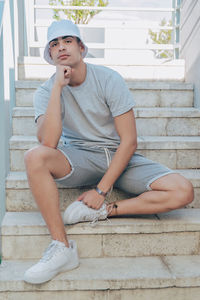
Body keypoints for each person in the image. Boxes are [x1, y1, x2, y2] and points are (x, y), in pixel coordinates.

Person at [23, 19, 194, 284]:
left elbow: (129, 141)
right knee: (34, 156)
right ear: (50, 55)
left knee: (183, 190)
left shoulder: (108, 79)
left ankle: (104, 212)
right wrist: (58, 88)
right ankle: (61, 247)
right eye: (54, 44)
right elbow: (49, 144)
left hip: (120, 158)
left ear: (81, 47)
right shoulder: (46, 92)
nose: (61, 47)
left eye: (68, 40)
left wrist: (101, 193)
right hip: (79, 157)